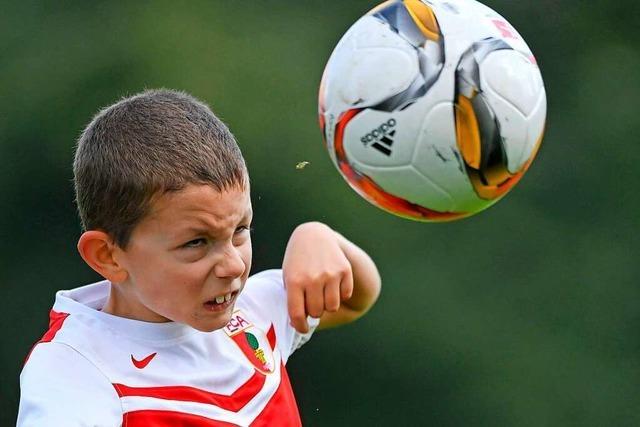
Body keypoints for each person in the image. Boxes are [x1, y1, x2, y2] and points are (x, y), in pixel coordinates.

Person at [17, 89, 381, 426]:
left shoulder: (251, 315)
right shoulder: (75, 371)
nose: (234, 266)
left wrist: (317, 236)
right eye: (196, 243)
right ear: (108, 256)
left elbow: (354, 298)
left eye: (240, 230)